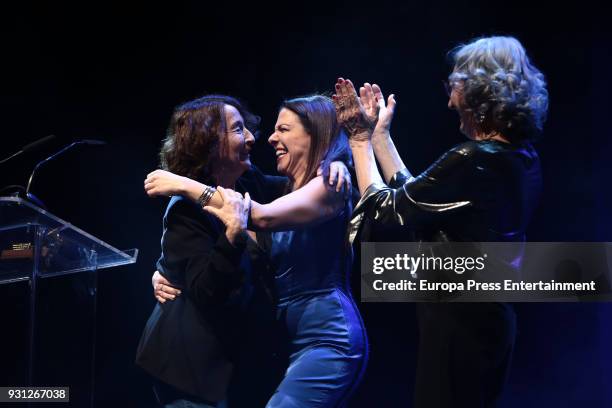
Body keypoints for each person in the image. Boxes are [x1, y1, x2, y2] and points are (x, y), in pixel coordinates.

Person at [333, 36, 548, 407]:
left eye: (456, 86)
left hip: (459, 323)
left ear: (480, 92)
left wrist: (358, 140)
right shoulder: (520, 158)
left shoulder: (473, 158)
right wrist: (380, 136)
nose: (450, 100)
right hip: (488, 318)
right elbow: (419, 200)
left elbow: (388, 213)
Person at [146, 95, 368, 407]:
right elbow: (198, 266)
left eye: (283, 129)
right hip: (195, 366)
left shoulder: (321, 185)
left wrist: (183, 184)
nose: (264, 138)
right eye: (238, 129)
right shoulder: (275, 191)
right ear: (209, 142)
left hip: (323, 335)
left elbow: (258, 215)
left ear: (314, 134)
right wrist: (164, 270)